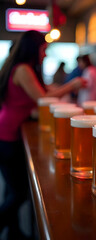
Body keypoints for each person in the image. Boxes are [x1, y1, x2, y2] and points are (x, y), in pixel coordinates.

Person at [0, 30, 85, 239]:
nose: (45, 54)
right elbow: (43, 98)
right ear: (34, 48)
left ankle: (13, 232)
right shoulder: (22, 69)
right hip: (8, 134)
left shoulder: (24, 68)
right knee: (18, 191)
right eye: (44, 49)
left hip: (10, 131)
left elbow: (41, 92)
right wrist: (71, 85)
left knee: (12, 189)